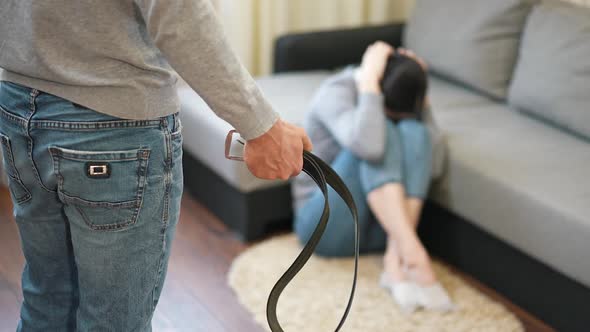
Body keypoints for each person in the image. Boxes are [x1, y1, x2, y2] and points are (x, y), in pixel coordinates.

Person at [0, 1, 311, 331]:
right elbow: (179, 15)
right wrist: (260, 125)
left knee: (48, 303)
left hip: (19, 112)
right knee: (111, 322)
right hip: (113, 122)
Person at [292, 41, 454, 313]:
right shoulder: (334, 93)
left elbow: (435, 163)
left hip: (382, 229)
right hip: (323, 231)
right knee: (376, 137)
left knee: (415, 131)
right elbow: (369, 146)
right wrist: (369, 83)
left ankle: (396, 259)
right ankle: (414, 255)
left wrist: (422, 100)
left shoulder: (405, 104)